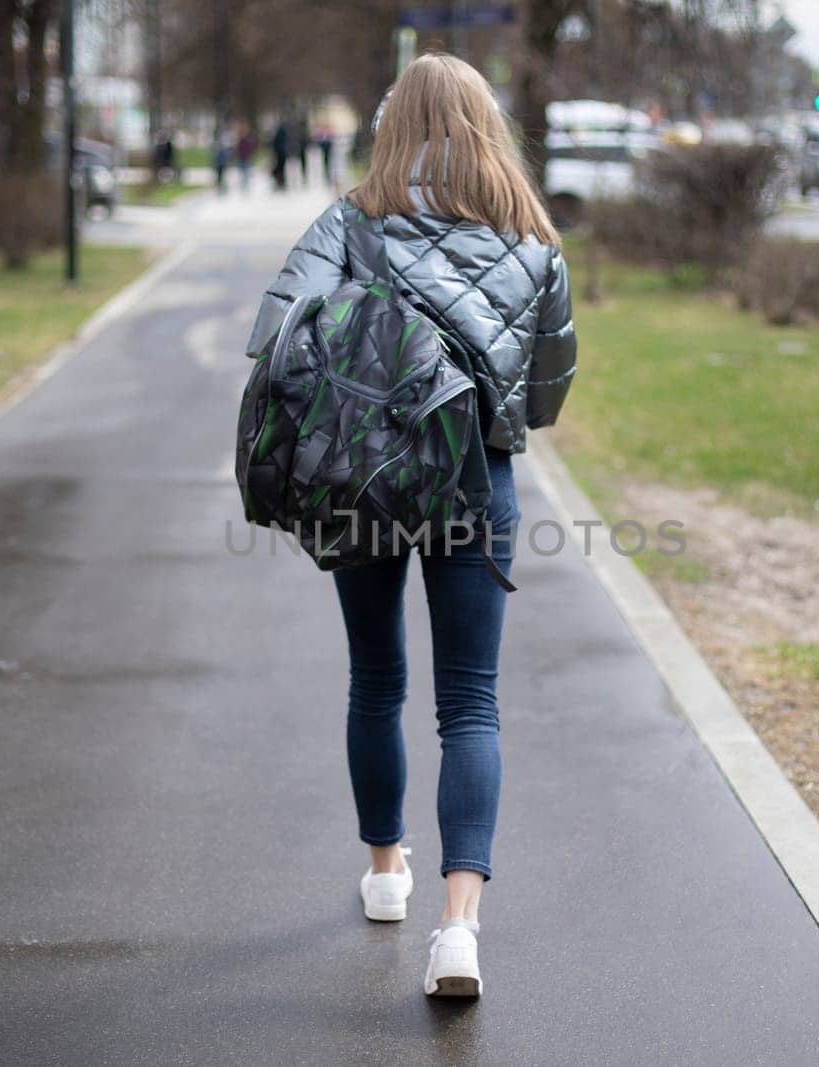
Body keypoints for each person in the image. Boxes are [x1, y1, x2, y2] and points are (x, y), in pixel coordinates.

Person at [244, 53, 576, 998]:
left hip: (370, 477)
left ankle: (387, 868)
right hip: (481, 484)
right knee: (470, 701)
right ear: (486, 126)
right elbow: (545, 393)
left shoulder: (352, 219)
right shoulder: (532, 236)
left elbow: (278, 336)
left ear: (394, 126)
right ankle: (459, 929)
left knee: (376, 678)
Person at [270, 118, 291, 191]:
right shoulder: (284, 131)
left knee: (280, 167)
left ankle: (281, 181)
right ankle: (281, 181)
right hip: (281, 153)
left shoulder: (280, 132)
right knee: (280, 167)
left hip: (280, 153)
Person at [235, 123, 257, 191]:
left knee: (246, 172)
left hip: (246, 157)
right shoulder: (241, 140)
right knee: (243, 172)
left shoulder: (247, 140)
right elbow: (239, 149)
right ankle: (244, 185)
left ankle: (245, 185)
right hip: (242, 158)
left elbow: (250, 148)